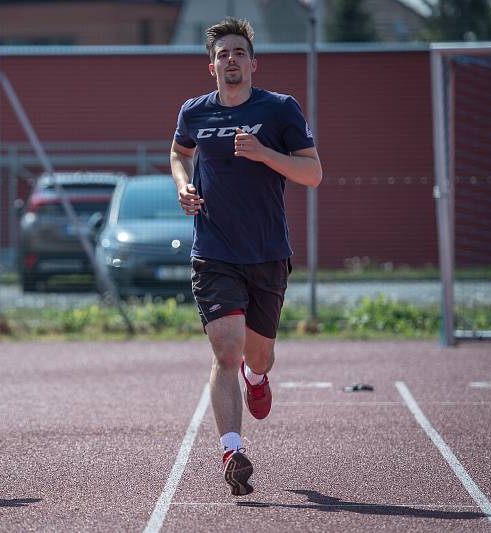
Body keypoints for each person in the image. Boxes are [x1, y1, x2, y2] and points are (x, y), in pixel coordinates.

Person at [170, 18, 322, 496]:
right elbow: (178, 153)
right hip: (213, 250)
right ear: (211, 65)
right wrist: (183, 186)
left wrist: (264, 153)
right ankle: (232, 451)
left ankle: (257, 378)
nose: (230, 59)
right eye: (222, 54)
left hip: (267, 252)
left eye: (239, 52)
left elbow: (312, 173)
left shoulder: (279, 110)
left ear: (252, 63)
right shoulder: (194, 111)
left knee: (257, 354)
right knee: (225, 349)